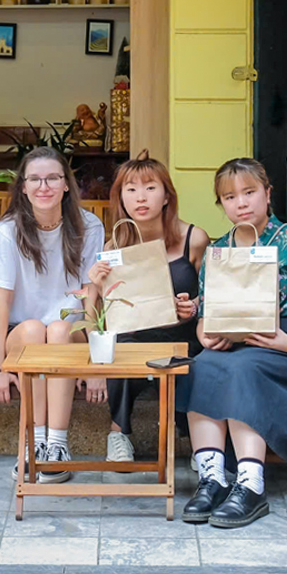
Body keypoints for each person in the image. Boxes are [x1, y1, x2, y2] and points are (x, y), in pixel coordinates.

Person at [182, 158, 287, 529]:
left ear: (267, 193)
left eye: (249, 192)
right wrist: (206, 335)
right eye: (229, 197)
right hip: (234, 343)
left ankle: (251, 483)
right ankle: (212, 478)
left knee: (243, 367)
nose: (240, 203)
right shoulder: (219, 251)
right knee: (202, 365)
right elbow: (205, 311)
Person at [0, 147, 106, 483]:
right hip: (24, 334)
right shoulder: (8, 231)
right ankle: (33, 444)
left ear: (67, 184)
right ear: (23, 186)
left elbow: (91, 297)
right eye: (34, 179)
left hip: (71, 332)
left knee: (61, 328)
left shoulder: (88, 226)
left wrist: (96, 364)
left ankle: (58, 445)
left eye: (52, 177)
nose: (43, 186)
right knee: (37, 329)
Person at [86, 154, 208, 463]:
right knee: (122, 348)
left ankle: (198, 440)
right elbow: (95, 309)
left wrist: (193, 306)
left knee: (199, 360)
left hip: (185, 335)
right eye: (131, 189)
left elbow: (214, 292)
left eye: (151, 188)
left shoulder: (194, 239)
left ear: (167, 195)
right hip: (136, 337)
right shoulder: (116, 246)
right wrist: (96, 284)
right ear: (121, 199)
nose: (141, 197)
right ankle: (118, 432)